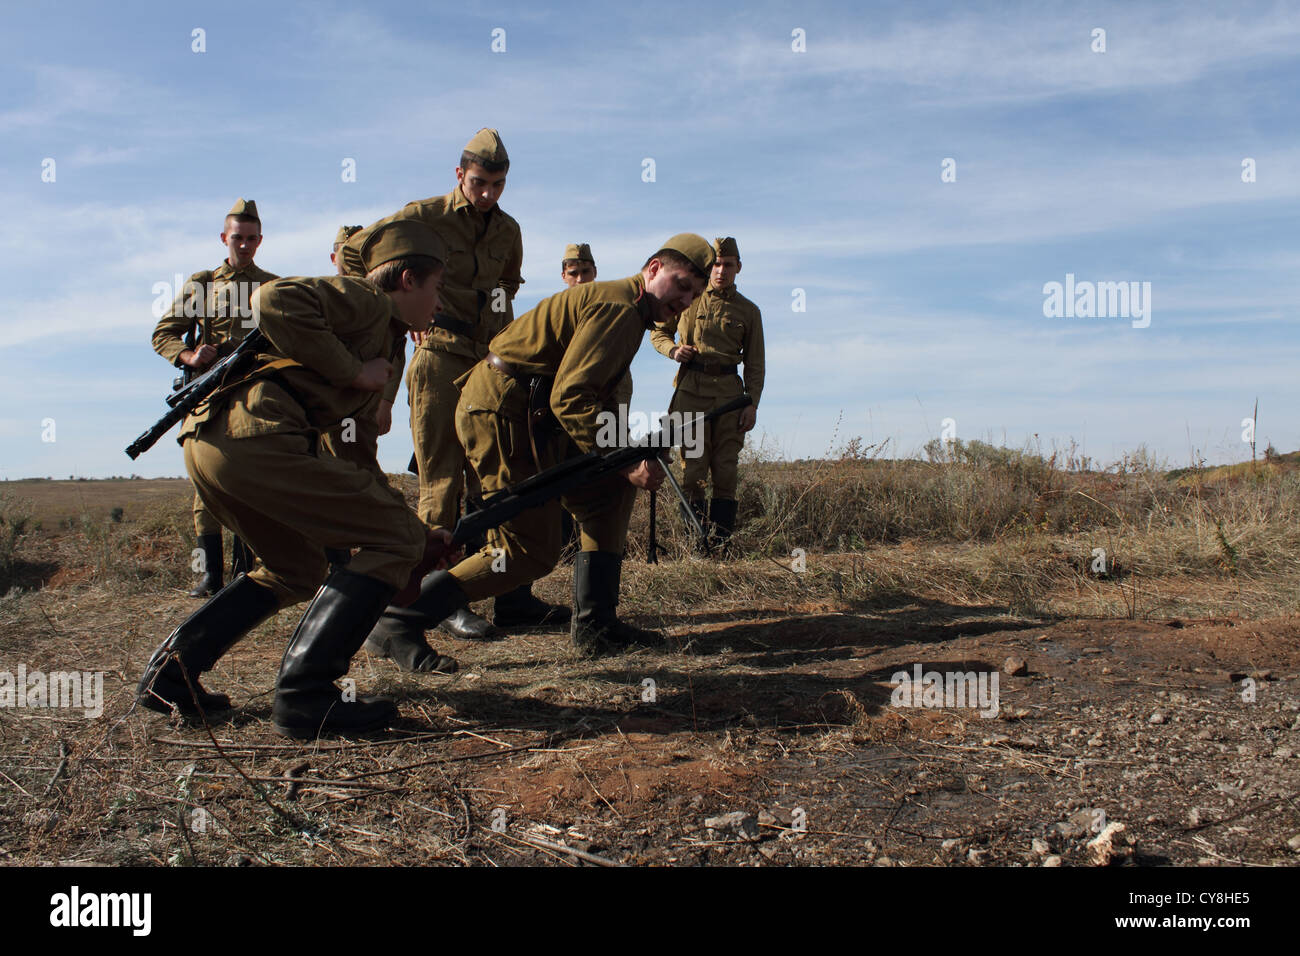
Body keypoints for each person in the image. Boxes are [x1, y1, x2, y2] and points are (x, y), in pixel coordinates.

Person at [136, 220, 458, 738]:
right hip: (255, 441)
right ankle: (307, 697)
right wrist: (354, 374)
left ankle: (171, 677)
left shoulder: (385, 339)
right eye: (437, 287)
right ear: (406, 281)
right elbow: (274, 300)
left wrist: (414, 536)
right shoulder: (366, 301)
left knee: (298, 567)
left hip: (216, 446)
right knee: (391, 537)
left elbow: (354, 458)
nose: (439, 304)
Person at [364, 234, 714, 670]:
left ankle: (597, 627)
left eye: (695, 294)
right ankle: (399, 619)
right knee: (529, 549)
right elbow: (572, 397)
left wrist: (624, 457)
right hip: (503, 412)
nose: (685, 299)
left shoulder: (630, 308)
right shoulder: (619, 308)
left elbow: (585, 397)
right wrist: (626, 460)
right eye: (681, 284)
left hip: (532, 414)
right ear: (654, 268)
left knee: (606, 494)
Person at [338, 129, 567, 642]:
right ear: (459, 175)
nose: (488, 194)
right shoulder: (423, 216)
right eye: (480, 182)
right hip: (439, 353)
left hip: (489, 360)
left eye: (499, 185)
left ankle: (497, 594)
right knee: (442, 480)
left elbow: (508, 287)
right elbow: (353, 255)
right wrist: (397, 307)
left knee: (495, 477)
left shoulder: (509, 230)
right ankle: (424, 602)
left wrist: (506, 334)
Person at [152, 199, 276, 596]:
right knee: (206, 481)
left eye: (251, 239)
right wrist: (189, 355)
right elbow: (163, 333)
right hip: (208, 391)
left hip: (255, 391)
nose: (244, 245)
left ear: (260, 241)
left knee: (251, 478)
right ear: (224, 238)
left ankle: (246, 569)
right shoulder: (203, 283)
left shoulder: (273, 287)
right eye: (237, 238)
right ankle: (211, 575)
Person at [650, 237, 764, 551]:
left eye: (728, 264)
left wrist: (752, 402)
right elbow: (658, 331)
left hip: (730, 395)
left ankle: (722, 546)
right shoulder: (689, 298)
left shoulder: (749, 311)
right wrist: (673, 350)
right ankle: (697, 546)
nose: (720, 271)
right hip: (692, 392)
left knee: (726, 470)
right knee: (692, 471)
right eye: (715, 264)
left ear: (738, 267)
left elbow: (755, 363)